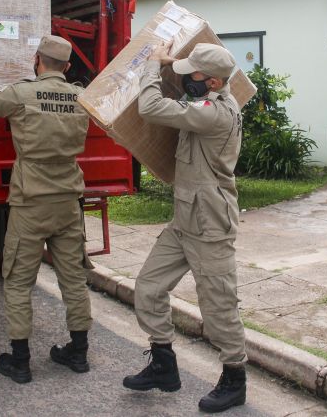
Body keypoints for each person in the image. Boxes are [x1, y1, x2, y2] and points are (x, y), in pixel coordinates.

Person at [0, 35, 93, 384]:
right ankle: (79, 353)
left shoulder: (22, 93)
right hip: (68, 202)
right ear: (68, 67)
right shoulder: (80, 97)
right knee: (73, 279)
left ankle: (21, 361)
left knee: (18, 281)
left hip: (31, 203)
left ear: (36, 60)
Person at [123, 42, 247, 413]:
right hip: (185, 219)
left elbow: (149, 107)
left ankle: (234, 379)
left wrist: (150, 68)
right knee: (148, 287)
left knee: (218, 306)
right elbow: (185, 84)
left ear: (211, 82)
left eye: (191, 73)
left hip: (210, 223)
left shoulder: (214, 113)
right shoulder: (206, 102)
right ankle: (163, 365)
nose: (183, 77)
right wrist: (171, 61)